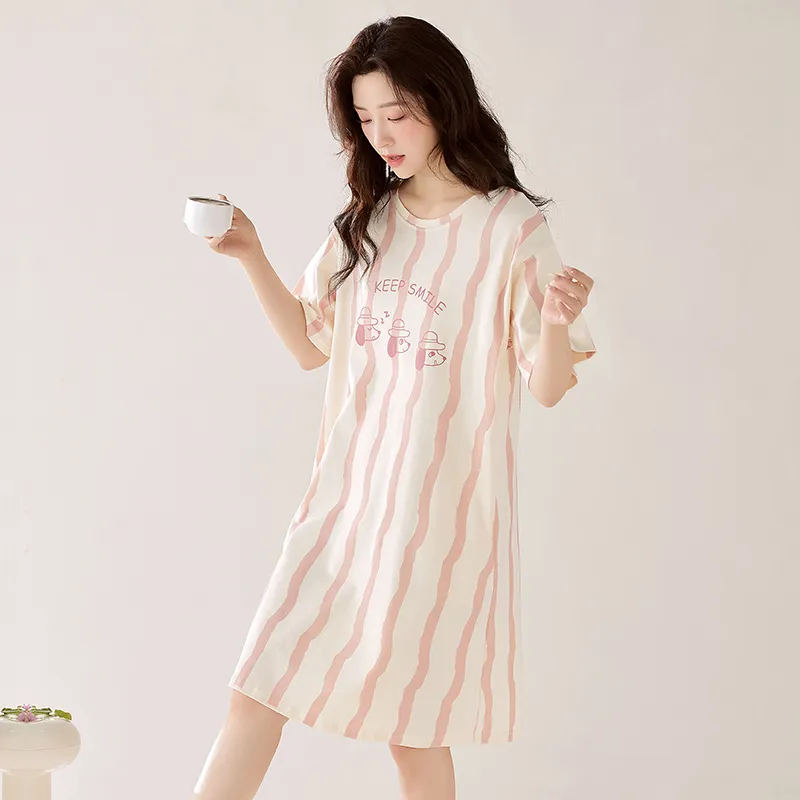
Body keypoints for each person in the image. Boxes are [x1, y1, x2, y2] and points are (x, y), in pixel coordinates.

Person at [192, 15, 596, 800]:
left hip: (440, 526)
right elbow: (310, 345)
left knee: (413, 740)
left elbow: (548, 387)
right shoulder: (371, 219)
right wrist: (251, 256)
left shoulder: (510, 228)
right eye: (366, 119)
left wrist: (553, 322)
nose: (382, 136)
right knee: (255, 694)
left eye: (397, 115)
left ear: (443, 102)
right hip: (344, 507)